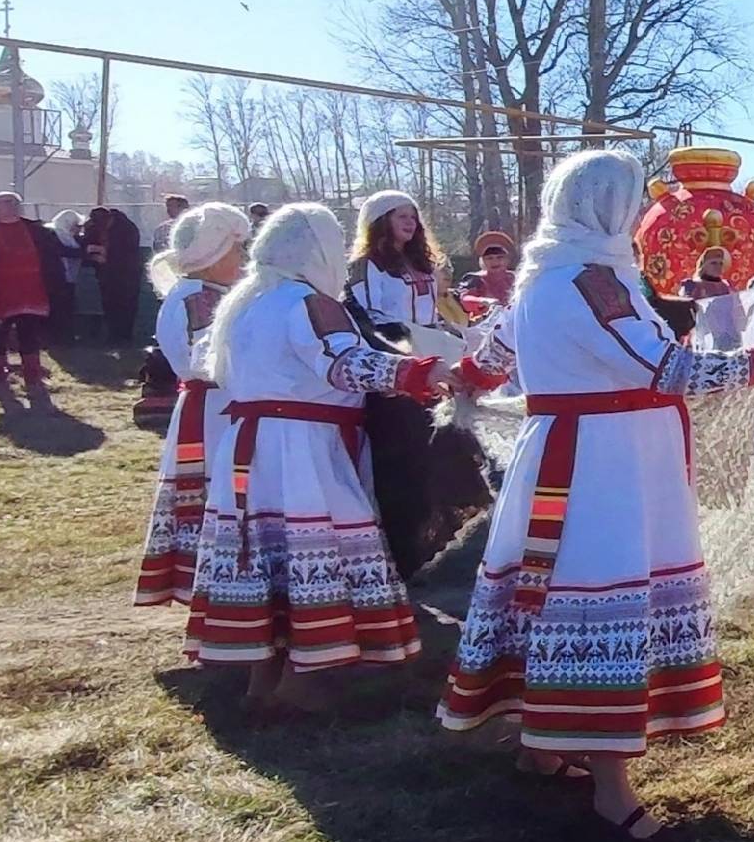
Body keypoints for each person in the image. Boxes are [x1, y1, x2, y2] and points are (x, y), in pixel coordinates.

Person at [439, 152, 754, 840]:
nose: (638, 215)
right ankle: (610, 786)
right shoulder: (595, 283)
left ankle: (541, 747)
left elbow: (485, 363)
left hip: (562, 456)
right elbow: (666, 366)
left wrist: (456, 379)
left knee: (554, 594)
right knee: (604, 597)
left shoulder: (544, 276)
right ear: (605, 208)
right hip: (604, 467)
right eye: (631, 202)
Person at [186, 203, 446, 714]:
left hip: (251, 446)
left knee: (268, 557)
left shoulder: (245, 301)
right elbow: (346, 363)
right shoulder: (308, 301)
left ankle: (264, 676)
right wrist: (420, 374)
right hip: (302, 449)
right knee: (311, 552)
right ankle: (300, 683)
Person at [135, 202, 253, 609]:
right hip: (211, 410)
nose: (243, 259)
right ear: (212, 255)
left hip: (224, 406)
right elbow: (196, 361)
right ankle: (206, 586)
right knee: (209, 494)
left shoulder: (214, 294)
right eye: (236, 250)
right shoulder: (191, 299)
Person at [0, 191, 70, 391]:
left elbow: (53, 259)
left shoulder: (37, 231)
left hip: (32, 293)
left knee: (29, 334)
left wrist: (55, 286)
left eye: (13, 202)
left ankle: (32, 376)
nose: (10, 206)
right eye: (4, 203)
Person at [346, 190, 459, 347]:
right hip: (395, 350)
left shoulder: (422, 263)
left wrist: (448, 332)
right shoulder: (367, 264)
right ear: (381, 221)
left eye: (413, 217)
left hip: (431, 347)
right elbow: (368, 316)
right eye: (402, 217)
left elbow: (427, 312)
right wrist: (407, 338)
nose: (410, 222)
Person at [84, 205, 145, 342]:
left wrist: (107, 256)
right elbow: (87, 243)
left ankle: (125, 336)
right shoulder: (95, 227)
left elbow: (128, 253)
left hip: (127, 274)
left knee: (126, 305)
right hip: (105, 274)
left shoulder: (127, 228)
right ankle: (113, 335)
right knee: (109, 304)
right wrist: (93, 255)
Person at [680, 247, 745, 350]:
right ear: (704, 265)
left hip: (727, 339)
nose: (718, 267)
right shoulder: (692, 285)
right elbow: (686, 312)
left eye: (720, 264)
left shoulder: (727, 286)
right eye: (713, 263)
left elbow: (737, 311)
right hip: (702, 337)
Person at [457, 230, 517, 307]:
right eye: (489, 258)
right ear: (483, 261)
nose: (495, 261)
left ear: (507, 259)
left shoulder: (516, 278)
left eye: (500, 257)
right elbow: (464, 298)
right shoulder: (475, 278)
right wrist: (483, 301)